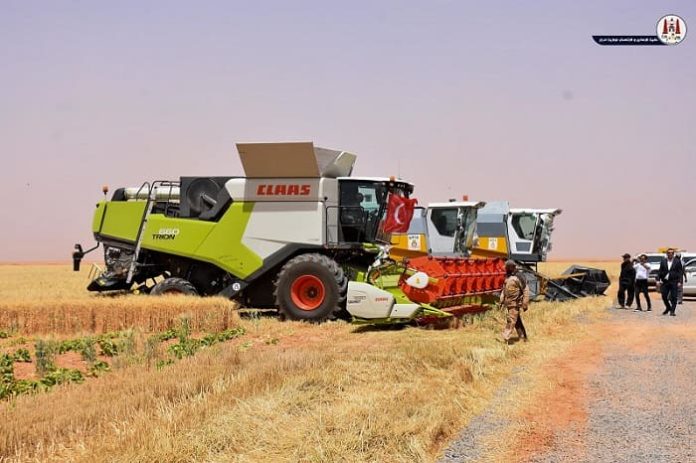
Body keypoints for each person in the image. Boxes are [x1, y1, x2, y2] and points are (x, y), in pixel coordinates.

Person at [500, 260, 530, 344]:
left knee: (511, 320)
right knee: (517, 321)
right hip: (508, 303)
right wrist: (501, 301)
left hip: (515, 303)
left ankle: (505, 338)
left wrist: (525, 303)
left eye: (506, 267)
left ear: (511, 267)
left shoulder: (519, 277)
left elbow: (526, 290)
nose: (505, 269)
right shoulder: (508, 277)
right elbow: (504, 289)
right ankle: (523, 337)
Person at [657, 248, 683, 316]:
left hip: (674, 281)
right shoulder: (663, 261)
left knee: (674, 297)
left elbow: (680, 272)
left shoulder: (677, 261)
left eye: (672, 253)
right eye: (669, 253)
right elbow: (660, 271)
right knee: (664, 296)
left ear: (673, 254)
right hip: (665, 281)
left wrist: (680, 281)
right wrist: (658, 280)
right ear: (667, 253)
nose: (670, 254)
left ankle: (672, 311)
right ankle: (668, 307)